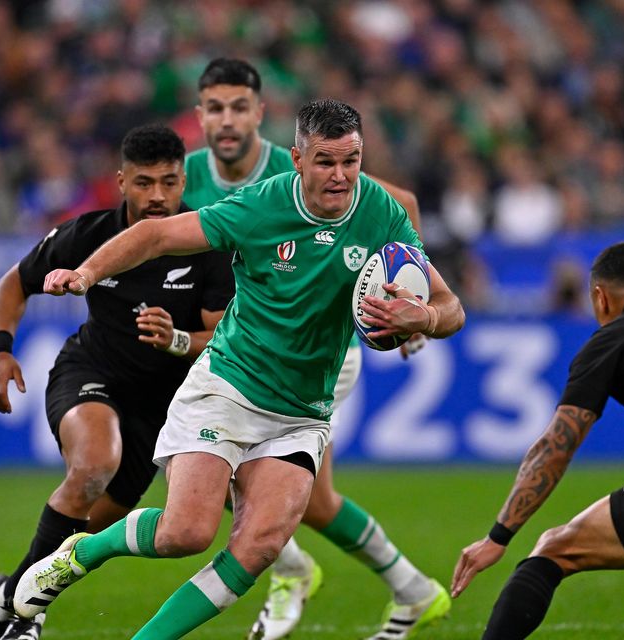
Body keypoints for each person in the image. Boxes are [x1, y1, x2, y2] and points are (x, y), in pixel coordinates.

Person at [13, 98, 465, 640]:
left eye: (352, 161)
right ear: (297, 159)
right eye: (326, 161)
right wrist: (86, 273)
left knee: (258, 548)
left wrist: (424, 317)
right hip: (228, 388)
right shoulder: (260, 206)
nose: (341, 176)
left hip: (302, 412)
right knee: (186, 532)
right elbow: (156, 236)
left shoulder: (382, 215)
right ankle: (81, 551)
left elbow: (451, 307)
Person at [184, 57, 449, 640]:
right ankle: (412, 588)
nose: (227, 121)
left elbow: (399, 202)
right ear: (199, 115)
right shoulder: (182, 175)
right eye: (215, 107)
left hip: (317, 351)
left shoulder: (296, 167)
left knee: (237, 480)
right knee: (312, 502)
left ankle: (290, 571)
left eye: (239, 107)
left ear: (259, 114)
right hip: (249, 343)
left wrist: (406, 297)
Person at [0, 124, 234, 640]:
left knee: (84, 537)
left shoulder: (208, 244)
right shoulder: (91, 235)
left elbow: (225, 335)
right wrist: (0, 350)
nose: (157, 196)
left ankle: (7, 598)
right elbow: (14, 283)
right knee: (94, 464)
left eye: (168, 182)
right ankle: (28, 617)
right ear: (121, 181)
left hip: (161, 409)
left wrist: (179, 339)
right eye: (143, 183)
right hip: (91, 374)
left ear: (184, 180)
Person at [451, 241, 624, 640]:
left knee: (553, 547)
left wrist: (498, 537)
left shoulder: (611, 341)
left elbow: (555, 448)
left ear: (600, 297)